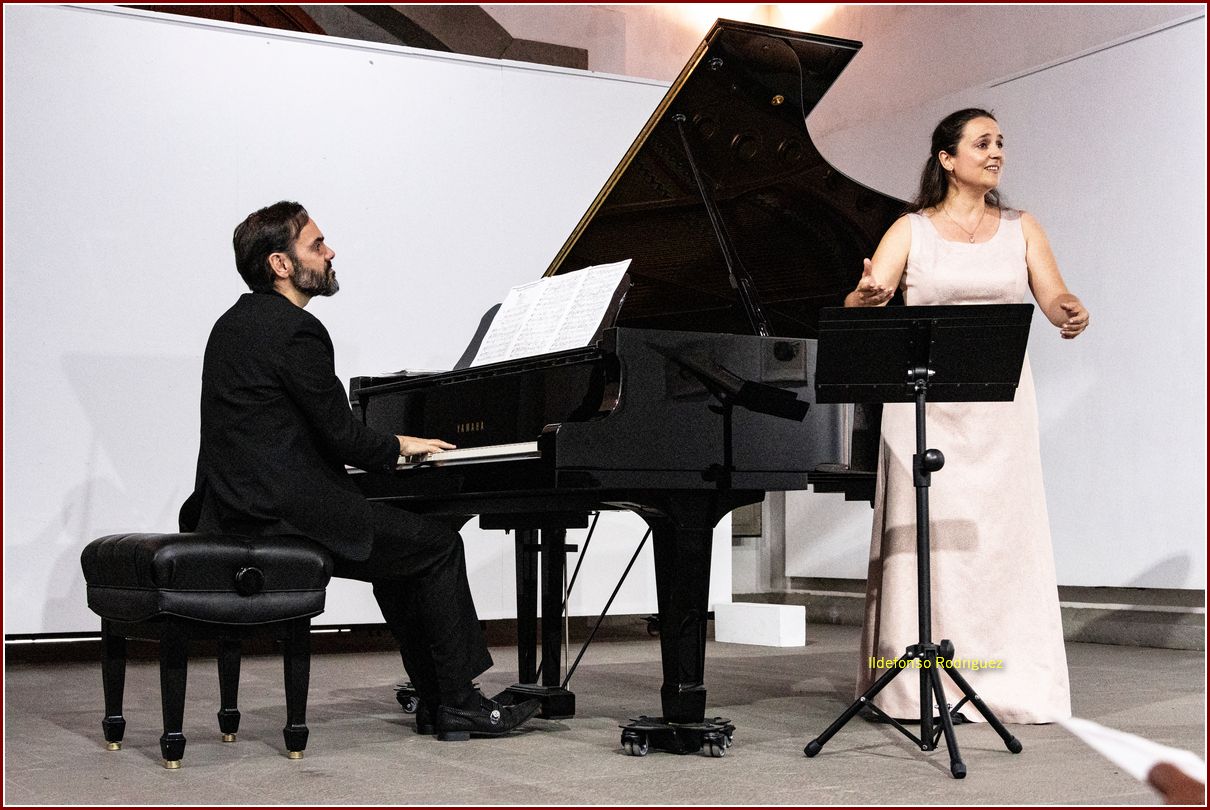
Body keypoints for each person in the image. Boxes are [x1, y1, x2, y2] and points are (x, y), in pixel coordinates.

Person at [179, 200, 540, 741]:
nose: (330, 253)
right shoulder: (296, 330)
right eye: (316, 245)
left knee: (403, 554)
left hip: (232, 511)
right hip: (283, 516)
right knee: (438, 546)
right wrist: (400, 445)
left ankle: (438, 699)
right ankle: (461, 703)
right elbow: (341, 436)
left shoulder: (231, 324)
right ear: (281, 264)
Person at [847, 109, 1090, 723]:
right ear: (947, 159)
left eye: (1001, 142)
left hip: (1000, 411)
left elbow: (1053, 294)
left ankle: (1004, 679)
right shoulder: (910, 230)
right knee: (928, 540)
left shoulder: (1022, 227)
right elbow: (864, 302)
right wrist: (866, 298)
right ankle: (915, 685)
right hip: (923, 409)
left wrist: (1069, 308)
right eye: (982, 143)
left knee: (1000, 542)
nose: (996, 152)